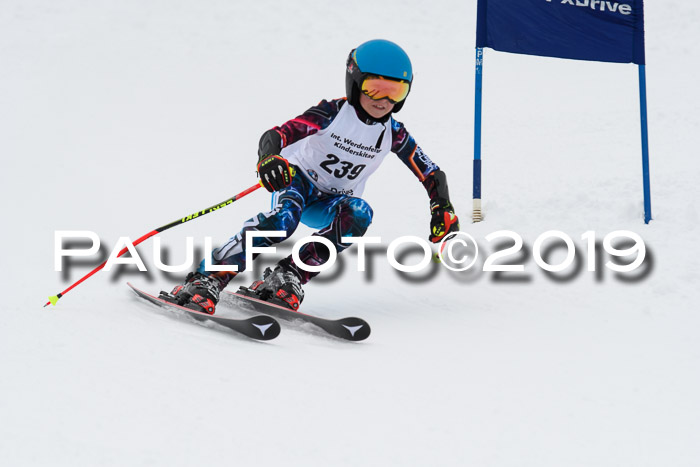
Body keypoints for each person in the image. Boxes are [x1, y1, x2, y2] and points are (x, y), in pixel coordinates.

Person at [165, 39, 460, 315]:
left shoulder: (393, 133)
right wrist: (269, 157)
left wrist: (441, 206)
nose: (383, 100)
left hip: (333, 200)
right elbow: (277, 134)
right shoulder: (331, 113)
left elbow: (431, 172)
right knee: (283, 221)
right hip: (297, 180)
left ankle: (288, 275)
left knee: (360, 214)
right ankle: (208, 278)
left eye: (395, 91)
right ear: (355, 82)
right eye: (374, 88)